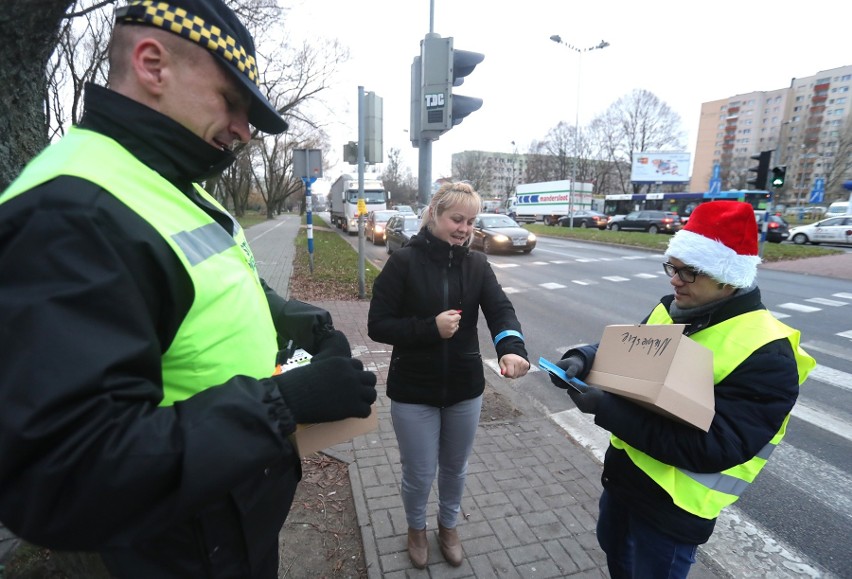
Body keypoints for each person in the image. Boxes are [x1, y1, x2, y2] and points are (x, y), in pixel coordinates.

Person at [0, 1, 377, 577]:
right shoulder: (69, 211)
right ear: (153, 65)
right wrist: (286, 403)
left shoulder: (163, 181)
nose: (244, 131)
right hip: (181, 547)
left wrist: (292, 319)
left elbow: (203, 288)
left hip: (225, 521)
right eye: (232, 101)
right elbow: (63, 477)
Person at [549, 200, 815, 578]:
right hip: (624, 484)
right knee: (616, 558)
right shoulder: (672, 309)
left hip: (672, 513)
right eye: (672, 267)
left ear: (727, 277)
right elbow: (628, 350)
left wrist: (607, 410)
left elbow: (716, 447)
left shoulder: (767, 352)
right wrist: (583, 358)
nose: (674, 279)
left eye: (689, 272)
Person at [367, 182, 530, 569]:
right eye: (457, 218)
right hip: (413, 391)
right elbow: (378, 325)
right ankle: (415, 529)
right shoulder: (403, 262)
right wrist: (429, 328)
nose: (464, 228)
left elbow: (501, 310)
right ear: (434, 216)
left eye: (471, 221)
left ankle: (448, 526)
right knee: (419, 472)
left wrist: (512, 349)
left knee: (455, 468)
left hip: (464, 388)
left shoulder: (476, 264)